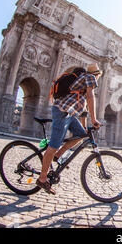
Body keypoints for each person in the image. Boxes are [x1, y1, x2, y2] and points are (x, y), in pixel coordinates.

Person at [36, 64, 103, 194]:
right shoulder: (90, 77)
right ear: (97, 74)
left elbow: (84, 109)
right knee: (54, 144)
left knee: (81, 135)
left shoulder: (83, 80)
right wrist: (94, 120)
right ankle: (42, 179)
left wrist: (84, 127)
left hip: (70, 113)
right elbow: (90, 97)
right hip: (62, 111)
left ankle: (57, 156)